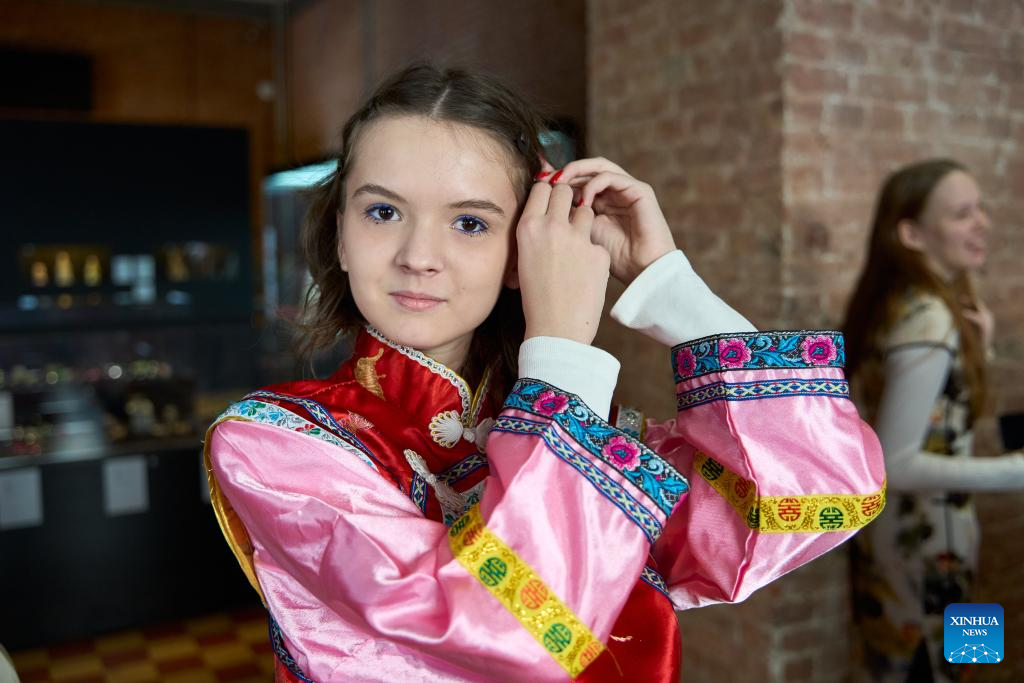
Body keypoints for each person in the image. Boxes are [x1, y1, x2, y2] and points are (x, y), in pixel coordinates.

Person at [205, 63, 885, 683]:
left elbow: (816, 496)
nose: (418, 255)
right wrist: (559, 348)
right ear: (340, 237)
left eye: (470, 223)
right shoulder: (277, 446)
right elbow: (509, 632)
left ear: (520, 255)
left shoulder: (590, 436)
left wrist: (671, 288)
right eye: (383, 212)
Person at [844, 159, 1024, 683]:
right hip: (928, 556)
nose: (982, 223)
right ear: (912, 235)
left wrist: (978, 351)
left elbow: (944, 423)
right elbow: (896, 463)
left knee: (955, 666)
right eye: (961, 214)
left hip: (922, 544)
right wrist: (1014, 471)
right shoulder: (928, 317)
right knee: (952, 671)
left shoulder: (904, 305)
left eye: (979, 209)